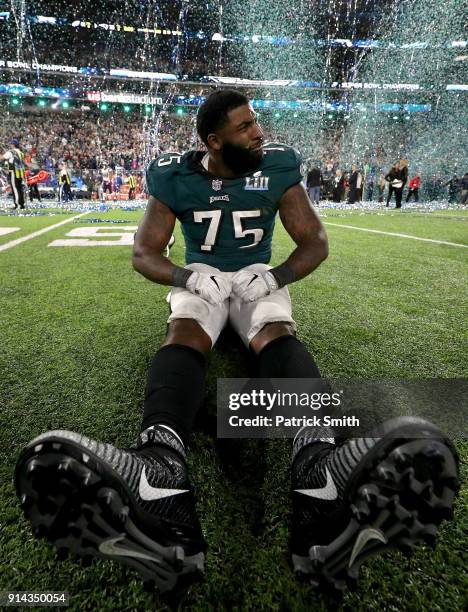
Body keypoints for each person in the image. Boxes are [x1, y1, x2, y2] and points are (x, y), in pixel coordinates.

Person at [15, 90, 459, 595]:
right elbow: (144, 252)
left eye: (255, 121)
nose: (258, 131)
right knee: (186, 326)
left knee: (274, 328)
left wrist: (275, 277)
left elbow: (315, 242)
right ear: (214, 141)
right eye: (245, 126)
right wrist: (185, 274)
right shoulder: (174, 175)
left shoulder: (278, 166)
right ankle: (160, 464)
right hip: (203, 273)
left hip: (253, 274)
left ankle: (318, 460)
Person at [2, 138, 26, 209]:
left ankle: (17, 204)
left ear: (13, 145)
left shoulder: (11, 152)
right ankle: (21, 204)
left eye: (11, 144)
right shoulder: (21, 152)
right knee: (20, 188)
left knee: (15, 188)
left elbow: (2, 158)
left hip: (13, 173)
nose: (10, 145)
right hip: (20, 173)